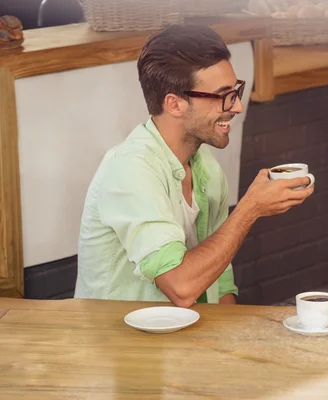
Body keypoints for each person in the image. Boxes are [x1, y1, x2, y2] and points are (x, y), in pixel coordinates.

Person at [75, 24, 314, 307]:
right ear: (175, 105)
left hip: (181, 344)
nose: (236, 106)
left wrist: (230, 345)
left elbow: (219, 276)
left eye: (235, 91)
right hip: (120, 346)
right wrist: (250, 209)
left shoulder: (207, 169)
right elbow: (181, 286)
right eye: (223, 95)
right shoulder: (130, 170)